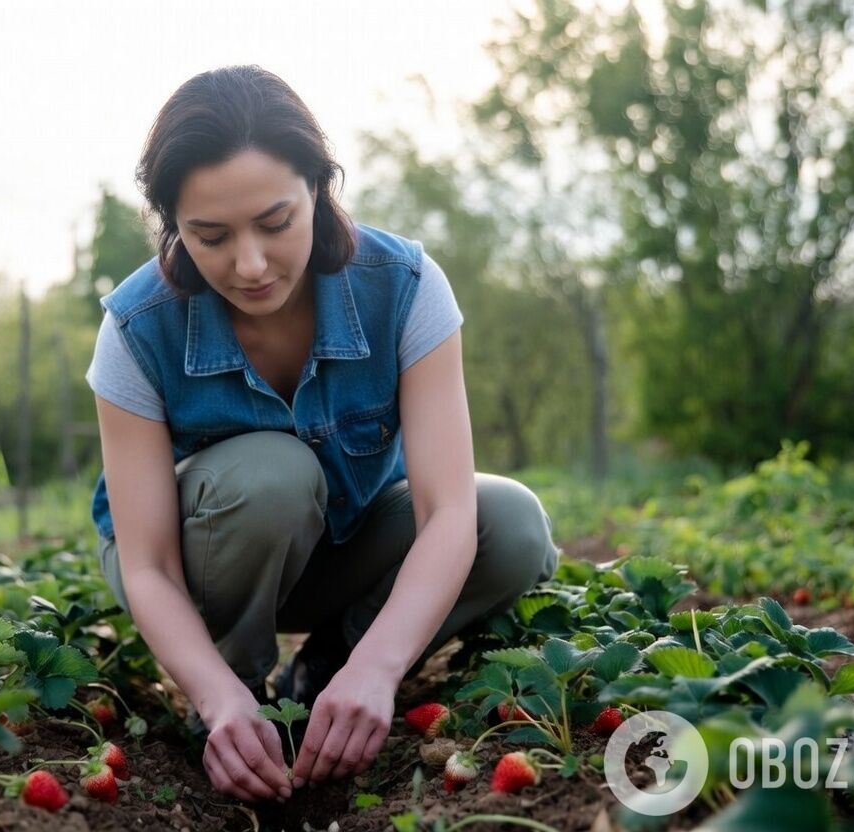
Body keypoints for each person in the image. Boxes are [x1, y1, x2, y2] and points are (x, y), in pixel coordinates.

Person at [85, 65, 558, 805]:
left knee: (511, 523)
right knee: (274, 473)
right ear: (172, 225)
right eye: (209, 236)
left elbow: (447, 515)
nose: (249, 264)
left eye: (275, 223)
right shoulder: (137, 329)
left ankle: (327, 677)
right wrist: (218, 700)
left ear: (319, 188)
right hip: (199, 567)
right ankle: (240, 709)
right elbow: (147, 565)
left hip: (338, 551)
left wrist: (376, 668)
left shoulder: (403, 287)